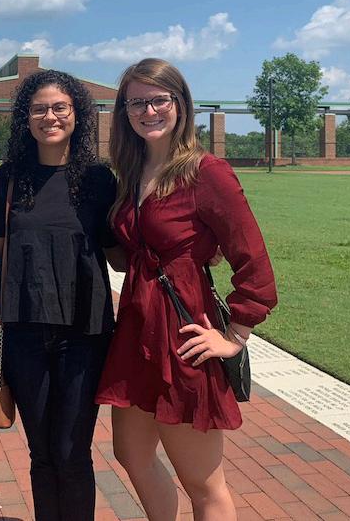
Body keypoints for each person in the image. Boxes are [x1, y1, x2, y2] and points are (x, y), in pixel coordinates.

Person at [95, 58, 278, 520]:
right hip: (135, 333)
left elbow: (254, 263)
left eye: (159, 99)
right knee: (131, 455)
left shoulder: (205, 172)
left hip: (182, 336)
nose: (148, 111)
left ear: (180, 103)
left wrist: (234, 337)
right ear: (124, 112)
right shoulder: (132, 172)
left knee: (203, 482)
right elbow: (128, 251)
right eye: (136, 102)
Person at [0, 69, 125, 521]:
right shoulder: (9, 178)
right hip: (24, 331)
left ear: (77, 114)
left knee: (72, 452)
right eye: (39, 109)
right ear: (26, 118)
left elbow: (120, 257)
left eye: (60, 107)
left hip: (84, 334)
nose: (50, 117)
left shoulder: (99, 181)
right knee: (42, 453)